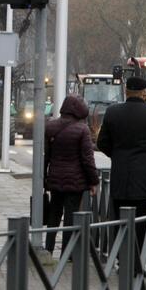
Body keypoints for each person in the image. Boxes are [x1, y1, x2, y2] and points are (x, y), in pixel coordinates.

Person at [97, 77, 146, 246]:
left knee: (120, 222)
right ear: (144, 94)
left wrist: (117, 155)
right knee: (142, 223)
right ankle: (138, 264)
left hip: (120, 177)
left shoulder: (113, 112)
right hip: (144, 180)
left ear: (126, 92)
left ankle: (121, 260)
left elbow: (101, 143)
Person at [44, 95, 99, 257]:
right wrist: (93, 181)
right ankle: (66, 254)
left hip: (54, 179)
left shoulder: (50, 127)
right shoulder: (82, 130)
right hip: (75, 182)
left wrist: (44, 178)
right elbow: (88, 160)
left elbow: (46, 156)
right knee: (70, 217)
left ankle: (48, 249)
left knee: (54, 214)